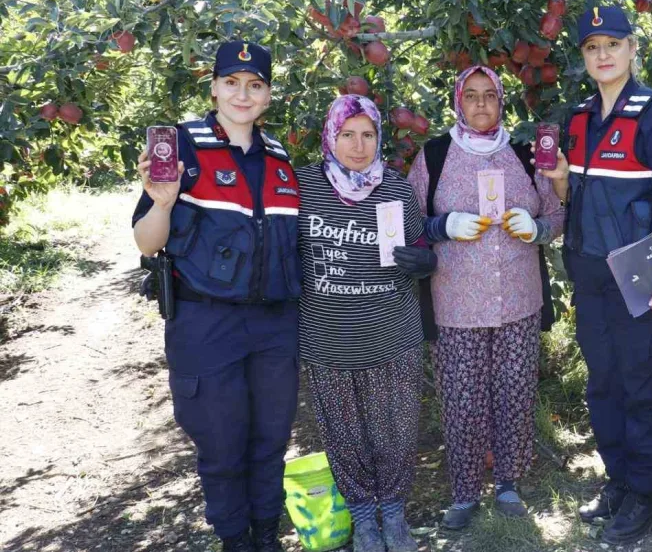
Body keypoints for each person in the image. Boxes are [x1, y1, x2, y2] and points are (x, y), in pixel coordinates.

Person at [132, 40, 300, 552]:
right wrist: (162, 203)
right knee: (223, 444)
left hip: (274, 324)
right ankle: (235, 540)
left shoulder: (280, 158)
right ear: (214, 88)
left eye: (254, 85)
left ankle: (266, 535)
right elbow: (146, 240)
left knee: (271, 440)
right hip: (206, 324)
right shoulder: (183, 145)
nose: (242, 94)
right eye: (231, 83)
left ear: (268, 96)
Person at [539, 5, 652, 545]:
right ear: (583, 57)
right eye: (591, 47)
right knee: (603, 383)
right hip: (590, 275)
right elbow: (575, 199)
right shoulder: (578, 118)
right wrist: (560, 180)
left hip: (642, 279)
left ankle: (645, 496)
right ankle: (618, 482)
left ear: (633, 49)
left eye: (612, 44)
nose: (602, 55)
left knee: (641, 387)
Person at [406, 65, 565, 529]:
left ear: (501, 102)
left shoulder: (521, 155)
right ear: (458, 101)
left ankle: (509, 482)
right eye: (471, 95)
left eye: (489, 96)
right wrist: (443, 226)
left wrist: (537, 229)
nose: (480, 104)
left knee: (515, 392)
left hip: (518, 299)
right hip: (457, 304)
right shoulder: (434, 156)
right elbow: (408, 223)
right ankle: (464, 490)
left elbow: (556, 215)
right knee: (461, 398)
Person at [295, 94, 437, 552]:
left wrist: (422, 261)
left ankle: (393, 515)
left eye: (368, 135)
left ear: (379, 138)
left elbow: (421, 246)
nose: (358, 146)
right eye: (347, 134)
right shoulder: (303, 189)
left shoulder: (395, 189)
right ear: (330, 137)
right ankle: (363, 519)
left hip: (391, 333)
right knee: (343, 432)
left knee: (394, 429)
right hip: (326, 339)